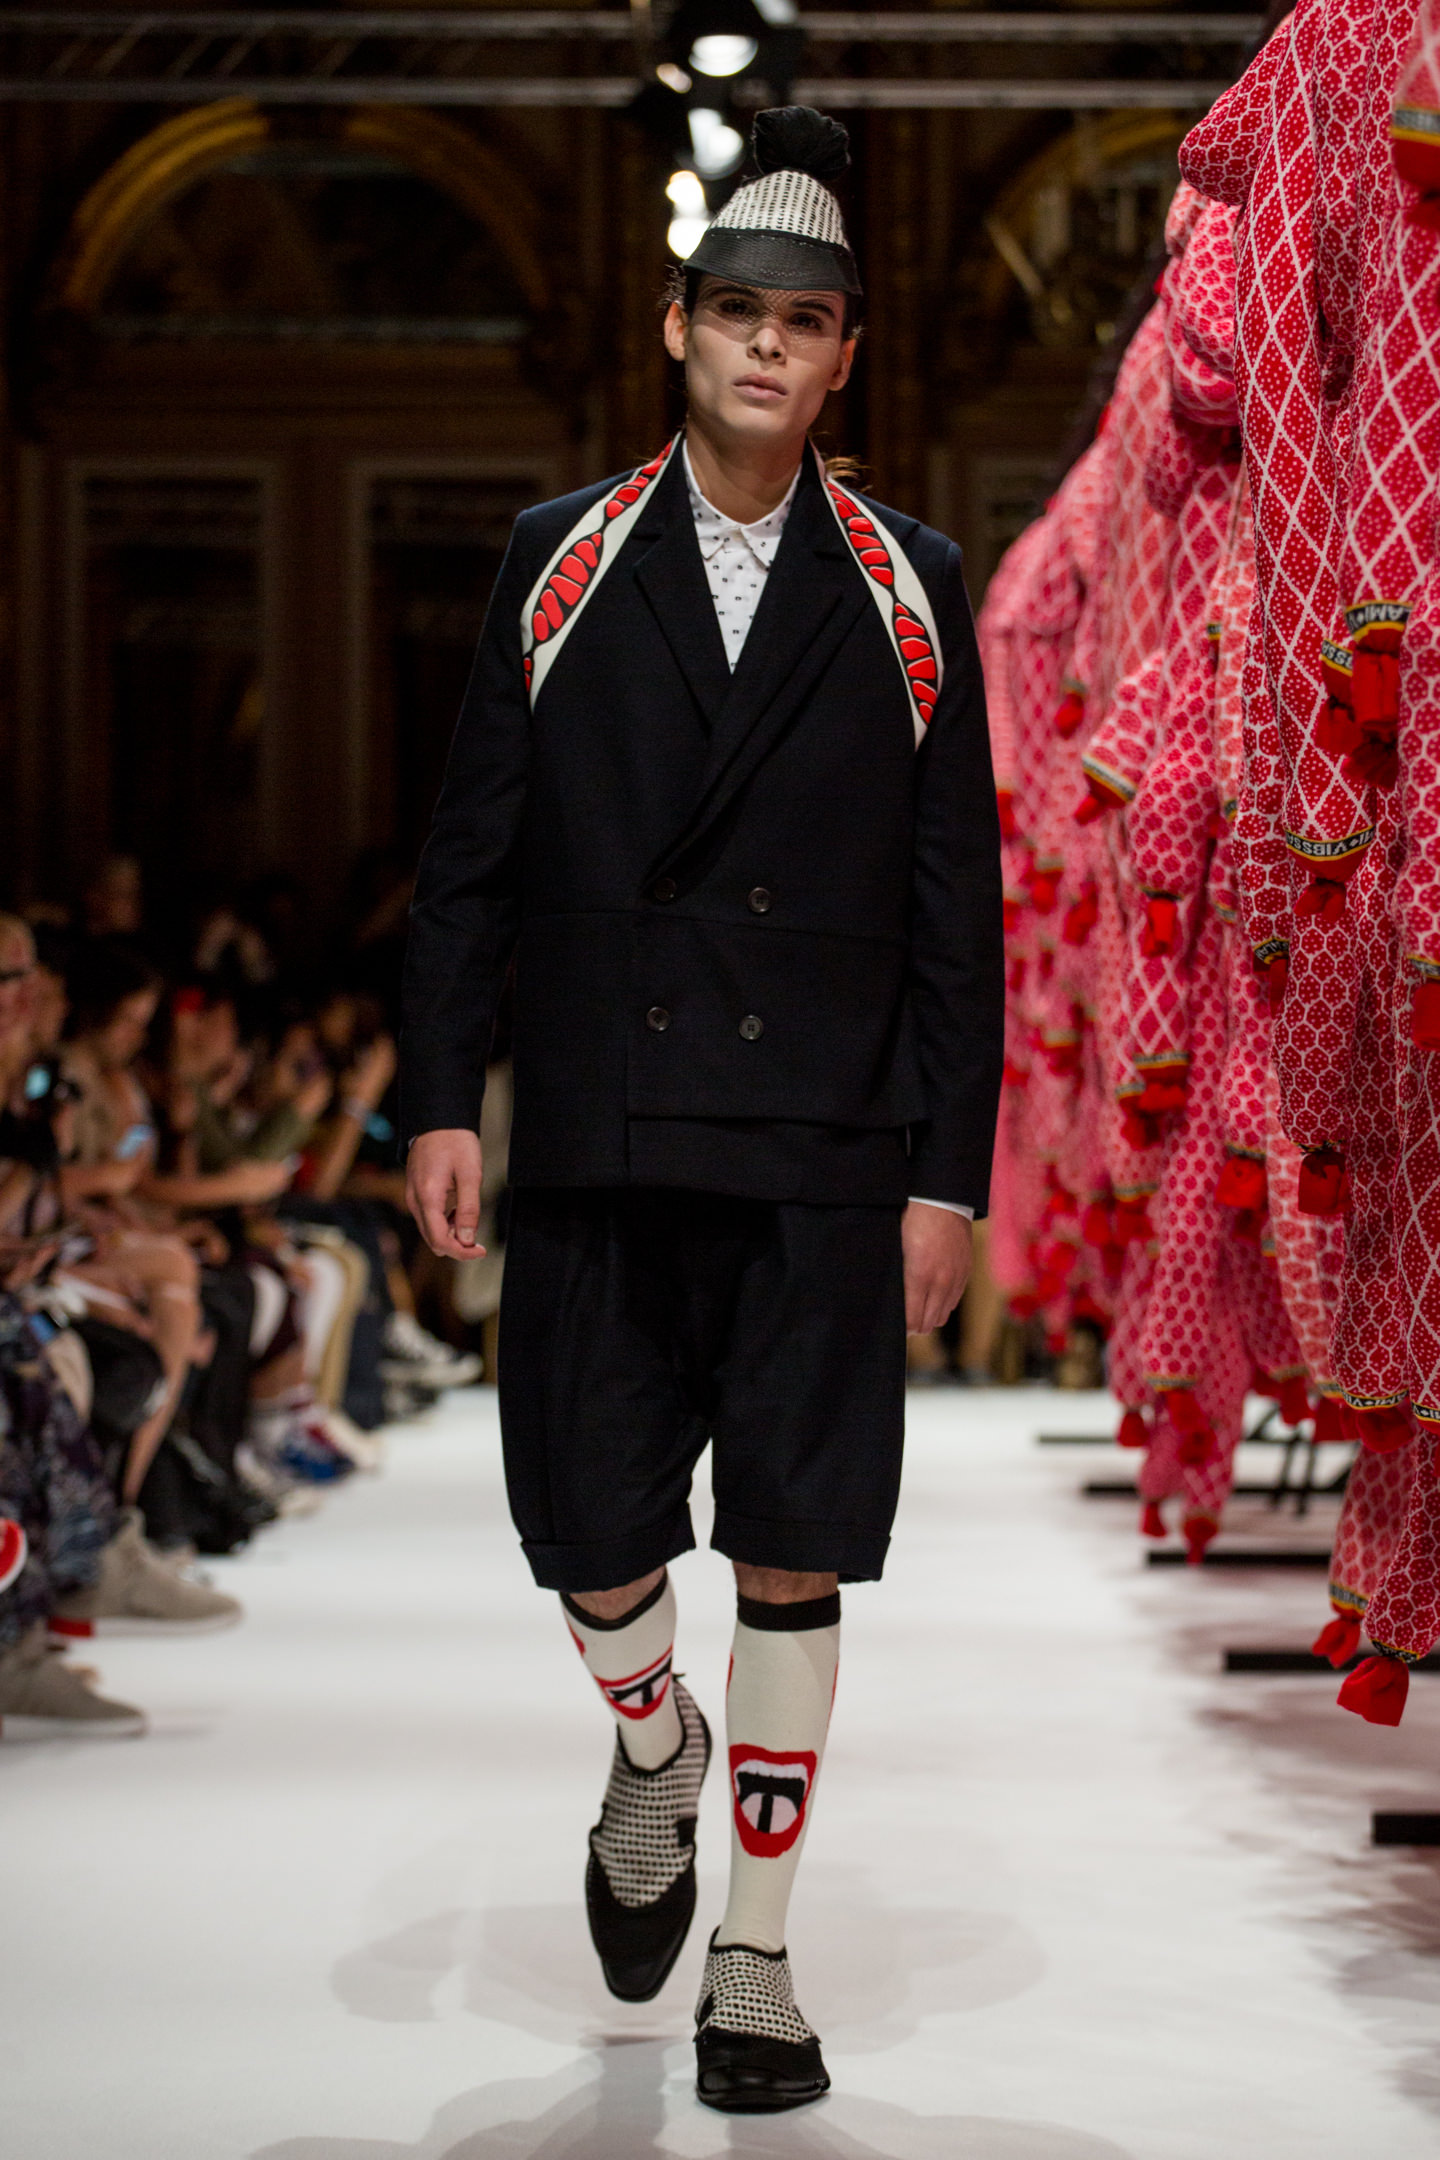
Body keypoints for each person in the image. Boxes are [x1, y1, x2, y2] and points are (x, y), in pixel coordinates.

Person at [401, 106, 1003, 2114]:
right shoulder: (560, 559)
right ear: (679, 325)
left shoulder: (913, 587)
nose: (765, 346)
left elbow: (959, 909)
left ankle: (757, 1958)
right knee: (587, 1532)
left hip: (824, 1144)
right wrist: (439, 1097)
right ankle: (650, 1732)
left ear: (845, 358)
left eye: (802, 322)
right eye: (736, 311)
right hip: (602, 1119)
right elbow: (469, 861)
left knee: (797, 1551)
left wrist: (949, 1174)